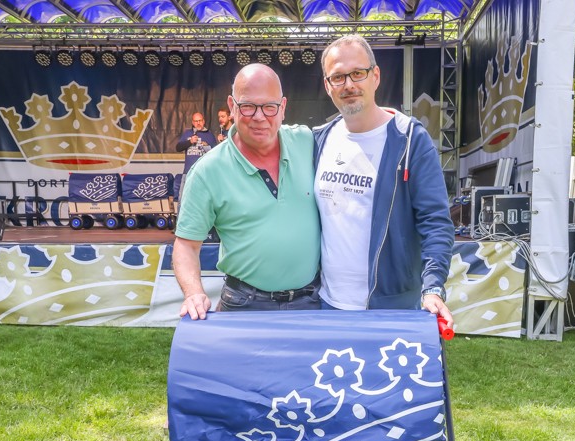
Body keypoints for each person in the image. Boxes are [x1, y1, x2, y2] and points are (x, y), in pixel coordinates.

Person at [313, 35, 454, 326]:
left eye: (357, 73)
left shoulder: (410, 139)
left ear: (375, 76)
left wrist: (433, 287)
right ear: (328, 86)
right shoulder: (319, 140)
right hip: (327, 305)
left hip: (391, 308)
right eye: (338, 77)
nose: (349, 84)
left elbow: (436, 221)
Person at [173, 64, 321, 319]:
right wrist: (193, 292)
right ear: (232, 106)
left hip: (311, 302)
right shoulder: (208, 171)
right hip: (245, 304)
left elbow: (352, 130)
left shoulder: (306, 142)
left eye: (269, 107)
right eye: (248, 106)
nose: (260, 116)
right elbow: (186, 245)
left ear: (283, 108)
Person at [174, 112, 218, 177]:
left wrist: (207, 146)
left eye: (200, 120)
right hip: (188, 173)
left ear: (203, 121)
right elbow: (178, 148)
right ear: (192, 122)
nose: (198, 123)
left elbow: (215, 155)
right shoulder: (187, 133)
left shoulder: (210, 135)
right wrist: (190, 142)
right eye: (196, 121)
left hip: (203, 173)